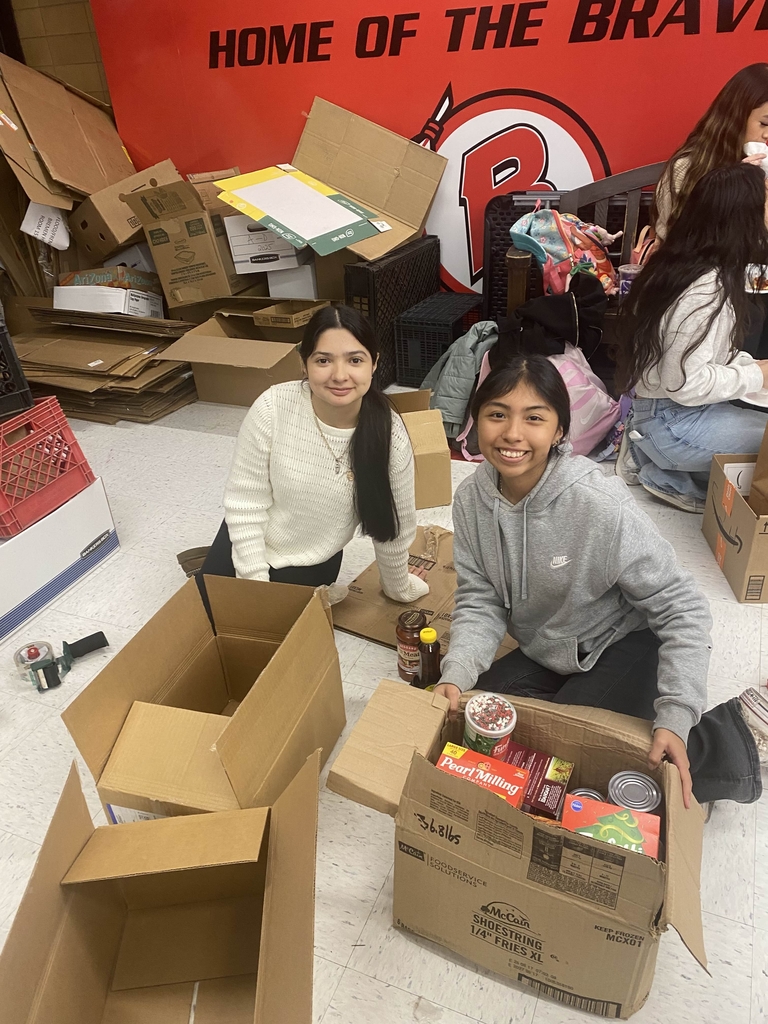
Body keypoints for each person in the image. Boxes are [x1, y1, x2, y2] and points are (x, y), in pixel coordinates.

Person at [432, 356, 766, 808]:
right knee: (476, 727)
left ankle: (735, 735)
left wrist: (675, 713)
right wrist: (456, 673)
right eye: (497, 414)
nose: (512, 433)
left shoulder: (597, 503)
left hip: (626, 642)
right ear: (477, 421)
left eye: (534, 418)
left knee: (567, 768)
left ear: (559, 432)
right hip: (548, 647)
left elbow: (682, 607)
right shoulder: (472, 500)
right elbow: (480, 598)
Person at [198, 305, 429, 605]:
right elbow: (245, 504)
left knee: (280, 635)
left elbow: (393, 528)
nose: (340, 375)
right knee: (209, 615)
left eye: (355, 360)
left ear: (374, 364)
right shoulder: (272, 408)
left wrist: (398, 587)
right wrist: (255, 585)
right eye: (323, 360)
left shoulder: (390, 434)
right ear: (304, 364)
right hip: (248, 540)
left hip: (309, 560)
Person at [615, 162, 768, 513]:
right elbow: (683, 383)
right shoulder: (706, 287)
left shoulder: (687, 263)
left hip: (665, 412)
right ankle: (662, 467)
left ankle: (658, 461)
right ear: (742, 216)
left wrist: (751, 366)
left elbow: (696, 357)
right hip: (672, 422)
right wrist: (757, 375)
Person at [654, 62, 768, 241]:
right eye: (764, 124)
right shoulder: (687, 168)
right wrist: (733, 188)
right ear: (736, 117)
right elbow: (680, 245)